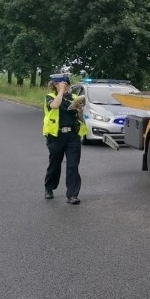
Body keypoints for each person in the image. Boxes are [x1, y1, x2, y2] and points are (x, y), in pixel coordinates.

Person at [42, 73, 87, 204]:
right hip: (56, 136)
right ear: (55, 85)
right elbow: (55, 105)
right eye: (63, 84)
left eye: (66, 84)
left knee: (73, 165)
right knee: (55, 164)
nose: (66, 86)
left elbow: (79, 118)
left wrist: (79, 109)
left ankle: (72, 195)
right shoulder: (50, 97)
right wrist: (60, 91)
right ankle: (49, 188)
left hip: (72, 135)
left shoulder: (73, 97)